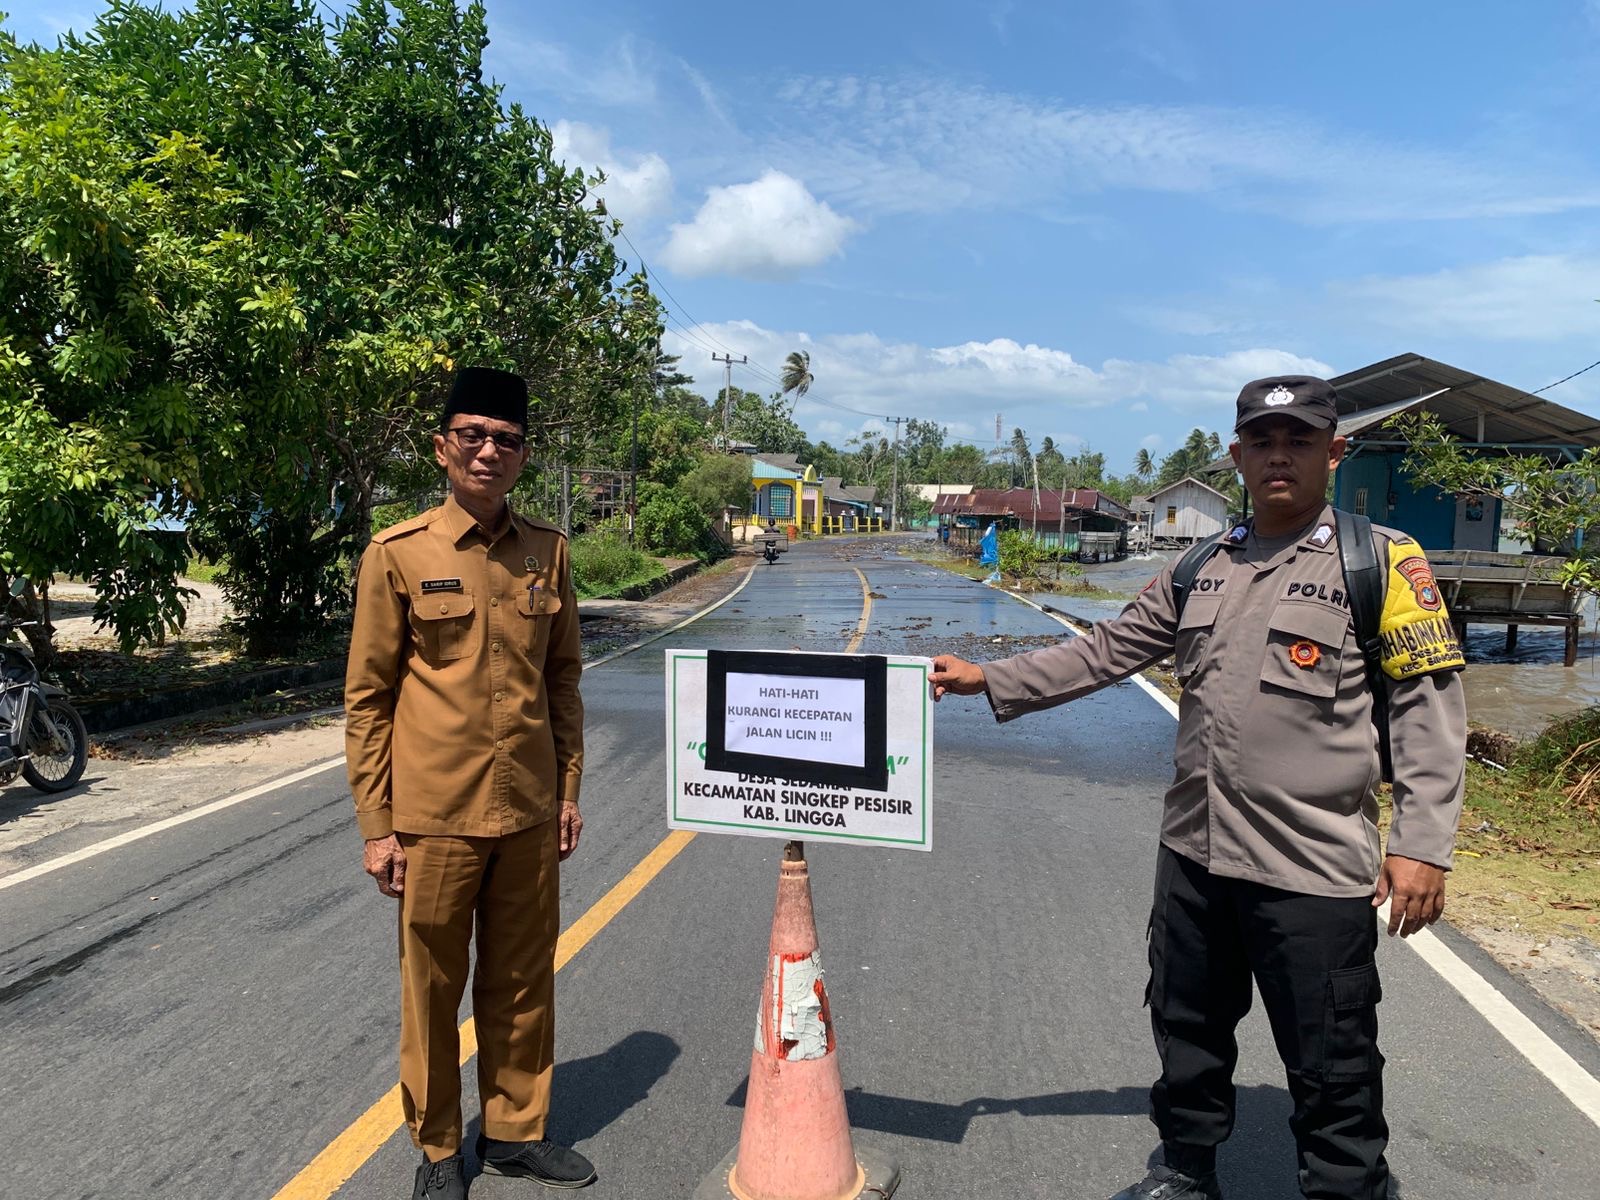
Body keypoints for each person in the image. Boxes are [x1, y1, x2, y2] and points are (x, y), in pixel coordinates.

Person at [930, 376, 1466, 1200]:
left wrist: (1421, 847)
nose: (1277, 455)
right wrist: (991, 677)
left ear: (1334, 451)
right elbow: (1104, 650)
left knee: (1333, 1059)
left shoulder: (1383, 562)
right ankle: (1187, 1172)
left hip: (1313, 870)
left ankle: (1347, 1187)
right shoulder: (1199, 564)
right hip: (1195, 855)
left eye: (1297, 439)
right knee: (1187, 1035)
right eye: (1262, 440)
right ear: (1237, 454)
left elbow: (1431, 715)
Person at [345, 366, 595, 1199]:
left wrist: (566, 791)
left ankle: (518, 1130)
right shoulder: (397, 554)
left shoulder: (549, 553)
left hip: (526, 807)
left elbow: (562, 683)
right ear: (444, 446)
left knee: (523, 979)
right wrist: (378, 826)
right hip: (435, 816)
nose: (491, 452)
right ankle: (440, 1148)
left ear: (524, 454)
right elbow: (368, 699)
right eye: (475, 436)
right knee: (433, 986)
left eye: (509, 440)